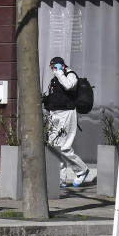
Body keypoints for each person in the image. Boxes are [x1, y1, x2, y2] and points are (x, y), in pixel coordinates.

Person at [43, 56, 90, 188]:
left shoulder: (70, 75)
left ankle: (82, 170)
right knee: (54, 147)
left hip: (67, 113)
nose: (53, 70)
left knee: (64, 147)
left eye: (55, 67)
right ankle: (60, 180)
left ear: (62, 66)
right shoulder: (55, 79)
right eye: (51, 68)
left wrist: (60, 73)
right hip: (54, 114)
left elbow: (69, 86)